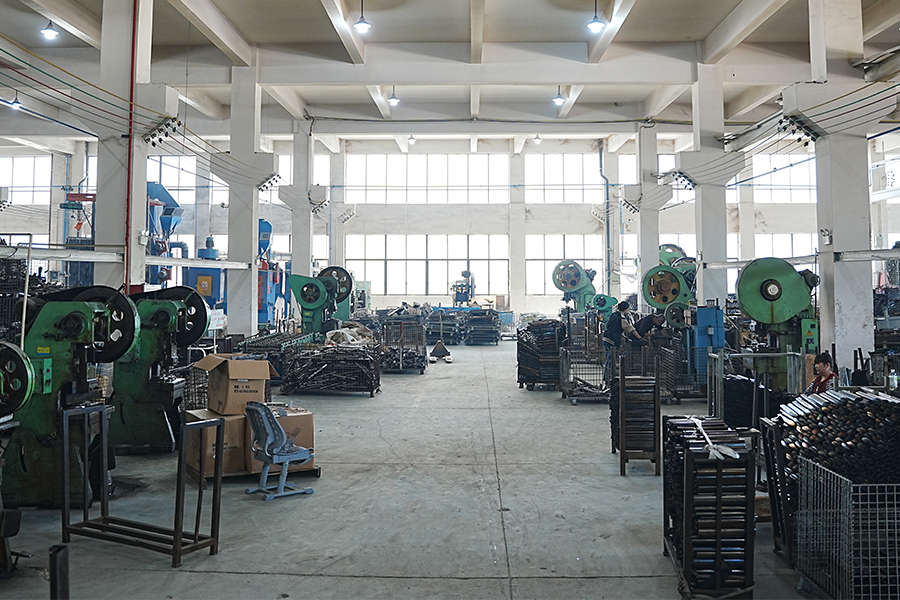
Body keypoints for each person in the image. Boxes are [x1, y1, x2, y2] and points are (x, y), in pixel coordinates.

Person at [602, 301, 642, 377]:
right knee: (611, 358)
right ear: (625, 309)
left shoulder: (614, 315)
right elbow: (630, 329)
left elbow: (615, 328)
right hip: (612, 339)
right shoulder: (621, 318)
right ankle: (608, 376)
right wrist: (640, 338)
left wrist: (624, 337)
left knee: (609, 357)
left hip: (606, 337)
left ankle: (607, 375)